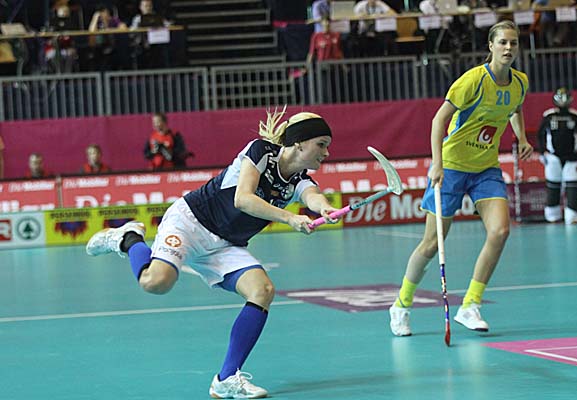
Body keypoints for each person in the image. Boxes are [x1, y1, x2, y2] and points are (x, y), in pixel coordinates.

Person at [85, 108, 338, 398]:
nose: (326, 153)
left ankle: (226, 379)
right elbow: (243, 199)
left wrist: (324, 208)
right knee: (155, 283)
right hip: (191, 222)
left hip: (227, 245)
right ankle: (128, 238)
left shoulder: (300, 180)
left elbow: (313, 197)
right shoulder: (261, 152)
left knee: (262, 290)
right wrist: (290, 218)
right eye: (321, 144)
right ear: (299, 143)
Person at [389, 20, 534, 336]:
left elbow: (515, 108)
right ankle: (401, 304)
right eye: (503, 42)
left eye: (513, 43)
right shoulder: (472, 81)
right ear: (491, 46)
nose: (509, 48)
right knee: (431, 244)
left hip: (486, 168)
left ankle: (470, 305)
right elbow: (438, 120)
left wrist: (521, 137)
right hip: (452, 166)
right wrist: (437, 163)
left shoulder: (520, 82)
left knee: (500, 231)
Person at [537, 87, 577, 225]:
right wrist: (541, 152)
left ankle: (573, 216)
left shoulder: (575, 116)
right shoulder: (548, 115)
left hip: (572, 157)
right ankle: (552, 216)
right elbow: (540, 135)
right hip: (553, 157)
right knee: (553, 186)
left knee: (574, 186)